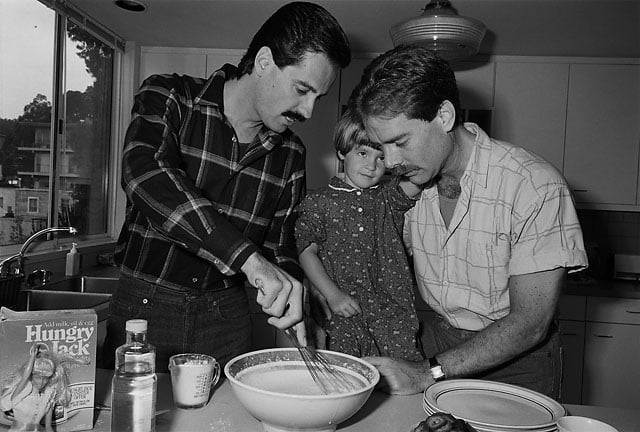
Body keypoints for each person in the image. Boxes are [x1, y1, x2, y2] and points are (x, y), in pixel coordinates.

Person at [104, 1, 351, 372]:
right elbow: (145, 176)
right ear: (265, 61)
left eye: (318, 97)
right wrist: (250, 262)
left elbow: (279, 248)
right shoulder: (171, 97)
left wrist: (295, 298)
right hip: (143, 309)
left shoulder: (291, 154)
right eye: (302, 89)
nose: (308, 111)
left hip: (227, 317)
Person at [349, 44, 588, 398]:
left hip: (520, 360)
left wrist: (429, 372)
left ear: (444, 116)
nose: (391, 160)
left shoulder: (534, 185)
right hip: (439, 338)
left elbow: (530, 324)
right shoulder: (406, 189)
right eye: (382, 146)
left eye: (400, 142)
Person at [295, 108, 423, 361]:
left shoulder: (388, 197)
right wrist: (332, 295)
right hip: (344, 308)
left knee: (402, 374)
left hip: (391, 312)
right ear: (342, 151)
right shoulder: (319, 201)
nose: (371, 166)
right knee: (347, 374)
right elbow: (305, 251)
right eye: (362, 153)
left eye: (381, 157)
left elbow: (421, 176)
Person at [0, 344, 73, 432]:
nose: (42, 382)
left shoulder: (47, 398)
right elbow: (24, 377)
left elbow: (48, 427)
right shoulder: (19, 395)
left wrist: (77, 361)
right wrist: (33, 357)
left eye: (45, 378)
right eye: (38, 377)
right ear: (32, 376)